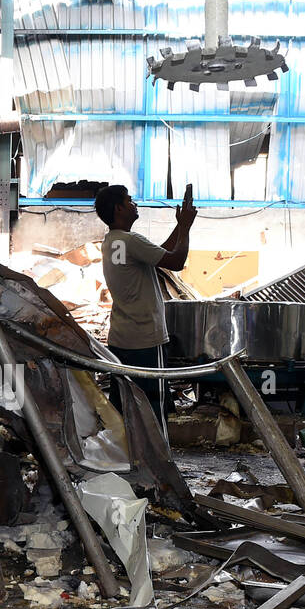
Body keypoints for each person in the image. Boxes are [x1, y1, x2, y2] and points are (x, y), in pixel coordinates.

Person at [94, 183, 195, 427]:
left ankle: (128, 459)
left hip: (122, 339)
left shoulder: (114, 241)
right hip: (146, 340)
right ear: (119, 208)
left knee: (125, 408)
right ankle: (158, 461)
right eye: (129, 201)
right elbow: (176, 260)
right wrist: (186, 228)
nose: (134, 204)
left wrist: (180, 227)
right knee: (153, 408)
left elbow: (161, 253)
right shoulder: (131, 241)